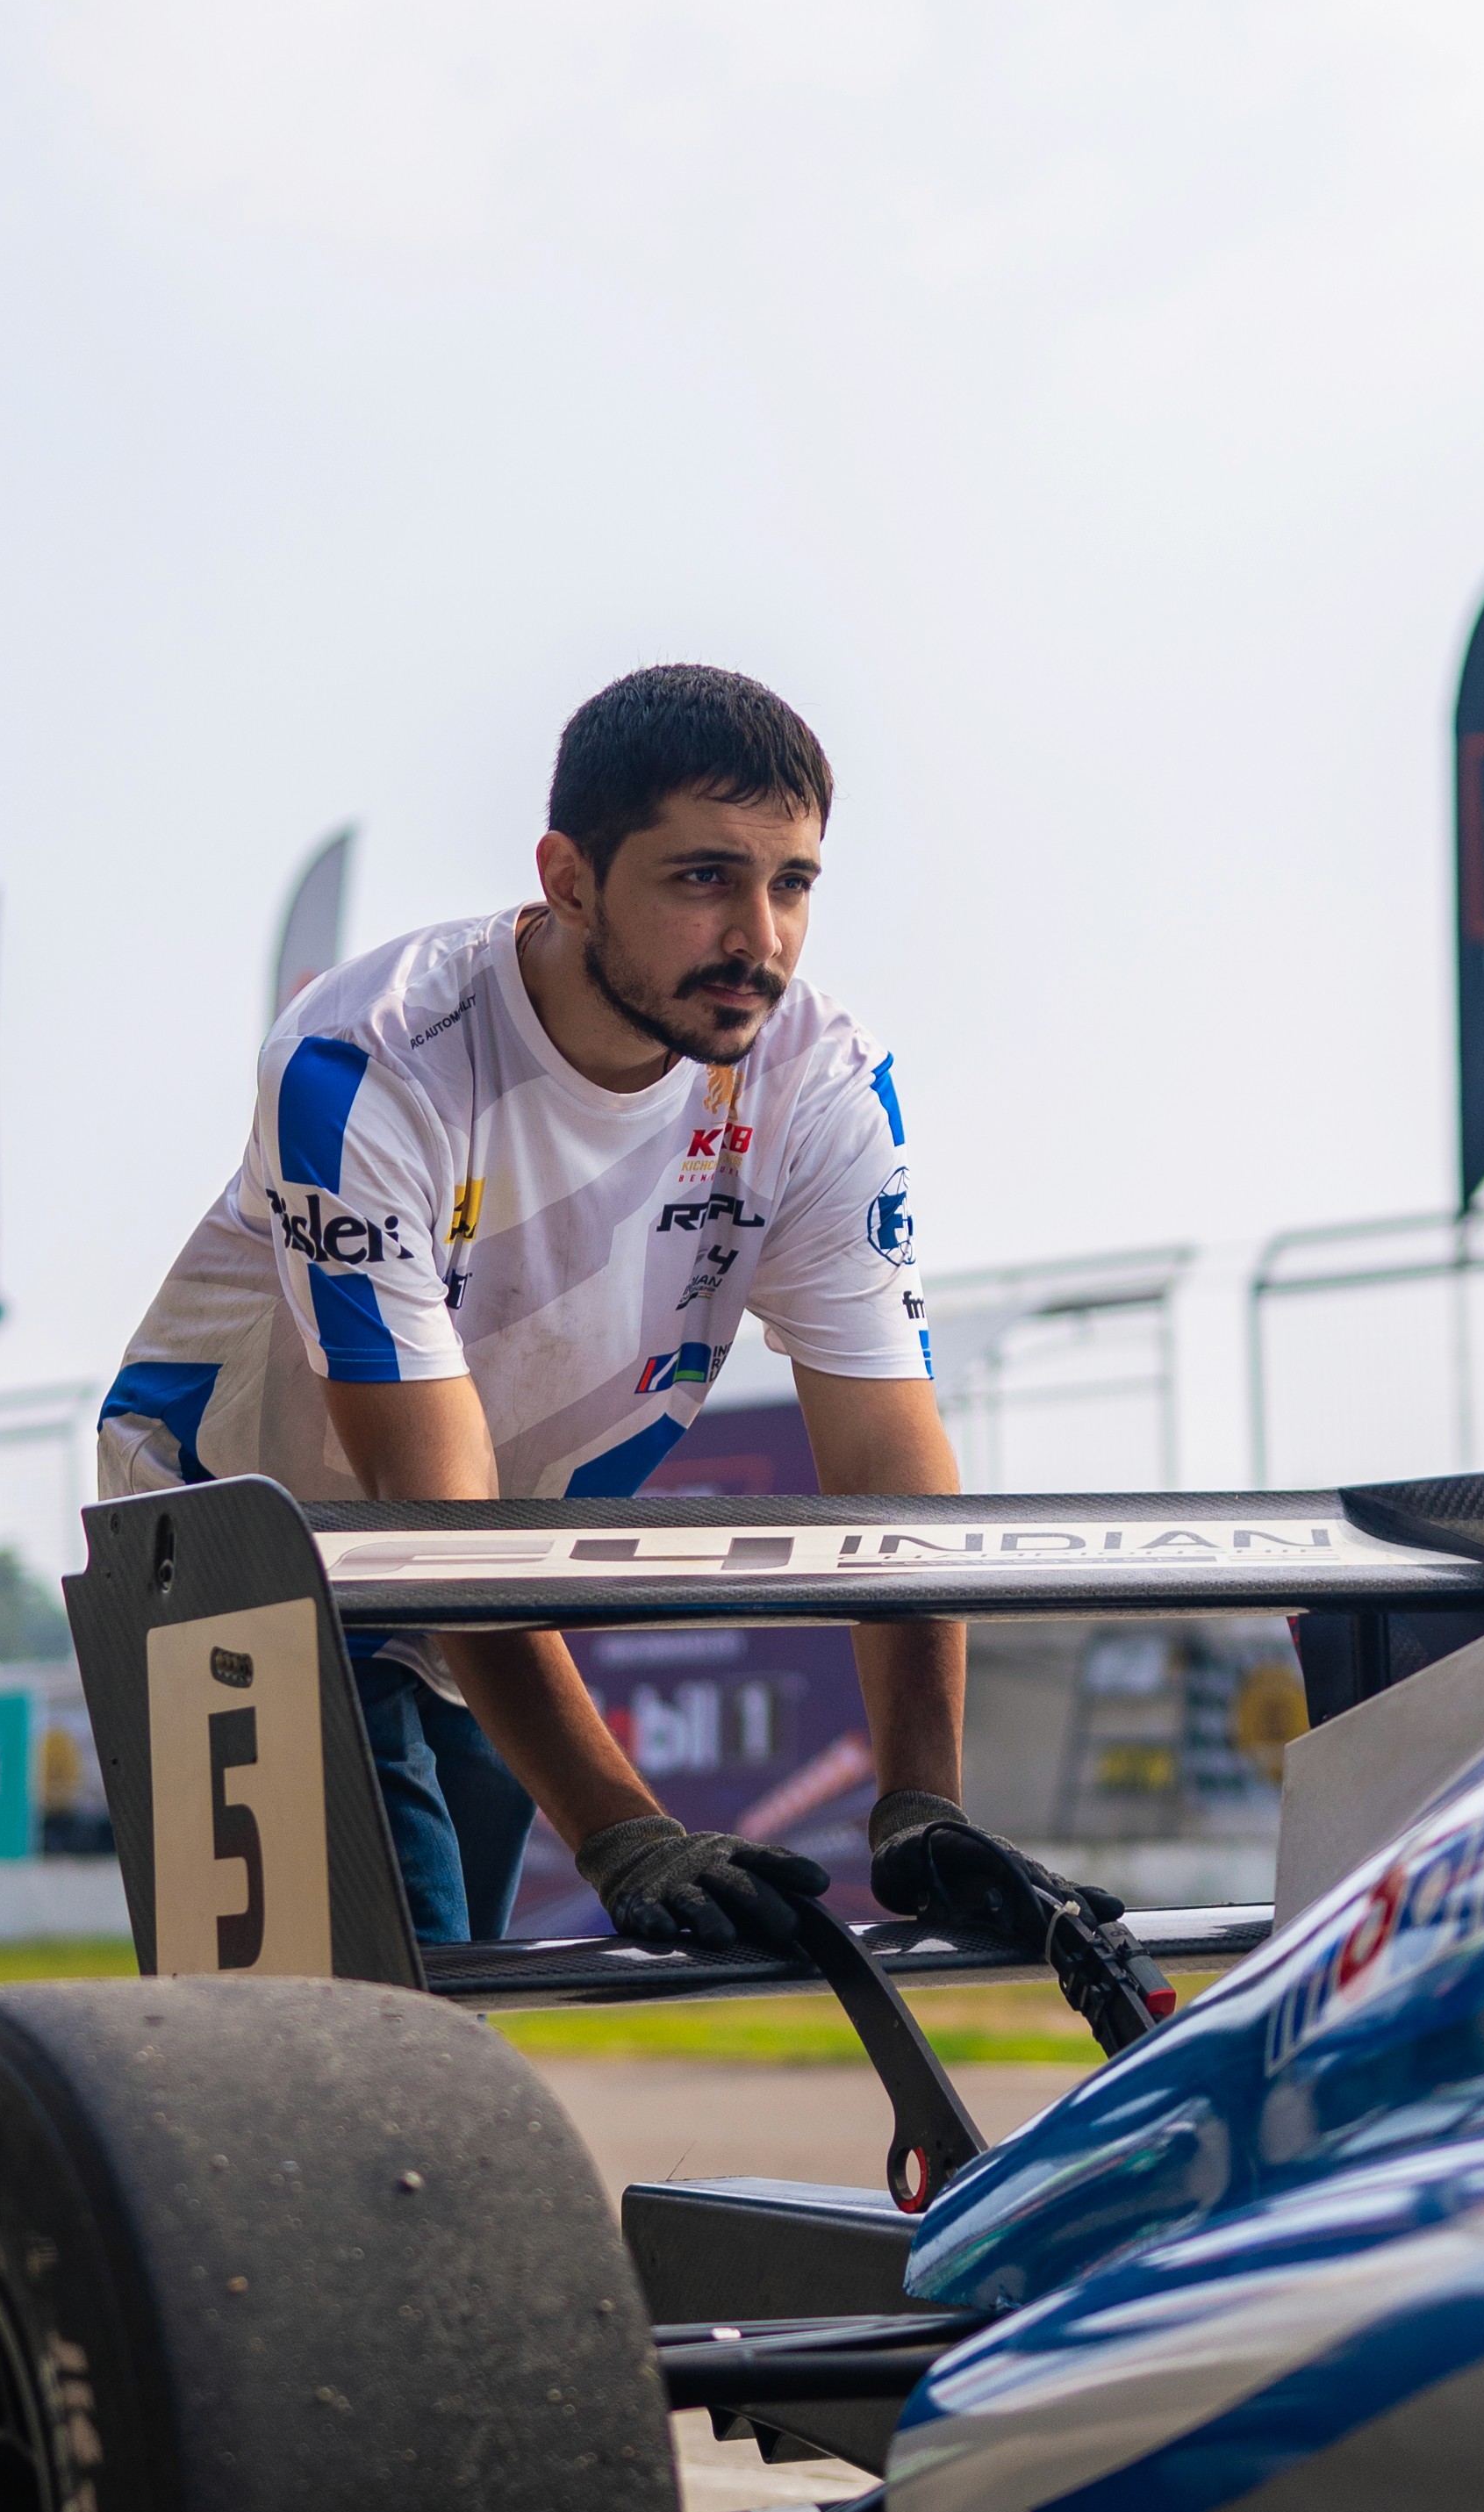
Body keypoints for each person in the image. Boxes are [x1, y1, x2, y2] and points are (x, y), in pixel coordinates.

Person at [98, 662, 1122, 1977]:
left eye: (792, 883)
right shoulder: (366, 1059)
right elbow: (428, 1511)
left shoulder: (819, 1082)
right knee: (361, 2025)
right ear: (569, 878)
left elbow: (885, 1462)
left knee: (443, 2018)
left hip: (483, 1574)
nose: (758, 935)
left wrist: (919, 1804)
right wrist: (623, 1831)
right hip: (241, 1543)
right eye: (703, 879)